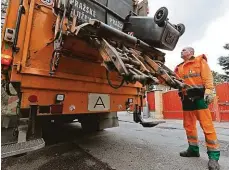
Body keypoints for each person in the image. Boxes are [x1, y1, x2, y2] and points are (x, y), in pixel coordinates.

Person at [174, 47, 220, 170]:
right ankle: (193, 150)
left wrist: (209, 91)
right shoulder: (179, 67)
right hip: (186, 99)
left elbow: (208, 78)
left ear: (191, 52)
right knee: (188, 126)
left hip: (199, 98)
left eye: (184, 50)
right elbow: (172, 81)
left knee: (207, 126)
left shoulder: (200, 61)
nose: (181, 51)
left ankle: (214, 157)